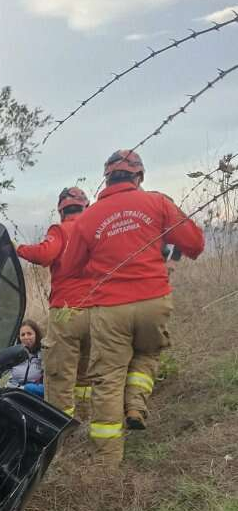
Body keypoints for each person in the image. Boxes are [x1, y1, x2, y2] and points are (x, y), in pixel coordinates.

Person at [64, 149, 205, 466]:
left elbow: (71, 268)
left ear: (107, 178)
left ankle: (107, 463)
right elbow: (195, 243)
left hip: (109, 308)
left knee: (108, 379)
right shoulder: (157, 202)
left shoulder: (88, 217)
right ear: (138, 176)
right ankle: (136, 406)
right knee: (148, 351)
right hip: (153, 300)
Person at [17, 187, 93, 418]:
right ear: (86, 207)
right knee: (86, 371)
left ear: (61, 211)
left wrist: (18, 248)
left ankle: (62, 425)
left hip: (66, 310)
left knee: (60, 372)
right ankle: (85, 416)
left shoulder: (61, 230)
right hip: (98, 310)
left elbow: (44, 255)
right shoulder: (97, 230)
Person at [7, 319, 44, 397]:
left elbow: (49, 386)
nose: (26, 337)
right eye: (23, 335)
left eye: (29, 334)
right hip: (12, 394)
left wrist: (28, 388)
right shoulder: (13, 353)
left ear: (36, 335)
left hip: (33, 396)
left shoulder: (44, 355)